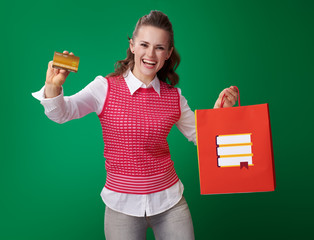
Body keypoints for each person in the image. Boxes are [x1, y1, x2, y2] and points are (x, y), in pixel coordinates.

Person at [32, 10, 238, 240]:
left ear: (168, 53)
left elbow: (203, 137)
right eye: (144, 44)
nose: (151, 54)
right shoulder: (104, 88)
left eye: (160, 47)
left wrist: (221, 114)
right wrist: (53, 86)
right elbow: (61, 113)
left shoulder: (174, 97)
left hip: (170, 202)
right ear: (132, 45)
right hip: (121, 207)